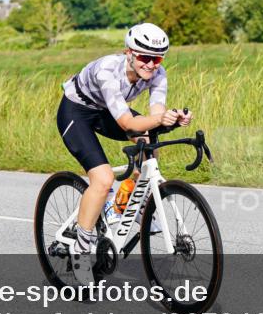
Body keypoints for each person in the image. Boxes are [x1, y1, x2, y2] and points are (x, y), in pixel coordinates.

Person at [56, 22, 192, 284]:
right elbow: (127, 123)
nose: (151, 64)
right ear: (128, 52)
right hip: (77, 113)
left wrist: (172, 118)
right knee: (103, 178)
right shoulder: (108, 70)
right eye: (144, 57)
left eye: (157, 58)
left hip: (106, 110)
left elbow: (154, 115)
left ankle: (130, 202)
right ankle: (81, 249)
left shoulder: (158, 73)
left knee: (148, 139)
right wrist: (162, 120)